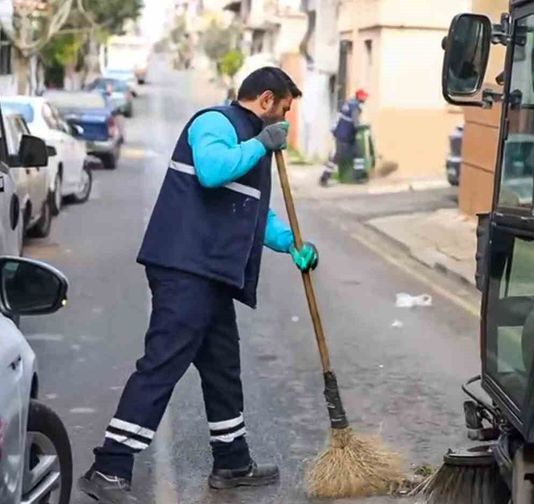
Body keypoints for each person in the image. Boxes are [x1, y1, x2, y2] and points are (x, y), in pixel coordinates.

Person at [77, 67, 318, 503]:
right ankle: (109, 468)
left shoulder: (249, 146)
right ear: (265, 100)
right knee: (163, 363)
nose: (284, 121)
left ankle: (232, 463)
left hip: (210, 274)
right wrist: (262, 143)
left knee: (223, 367)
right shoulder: (215, 123)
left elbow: (252, 211)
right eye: (283, 109)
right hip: (184, 268)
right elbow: (211, 171)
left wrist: (291, 244)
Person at [319, 88, 369, 186]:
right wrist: (361, 126)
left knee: (357, 153)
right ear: (360, 97)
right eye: (364, 97)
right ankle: (324, 177)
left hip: (342, 133)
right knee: (338, 156)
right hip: (345, 135)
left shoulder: (349, 103)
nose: (365, 99)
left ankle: (359, 176)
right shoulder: (355, 106)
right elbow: (355, 123)